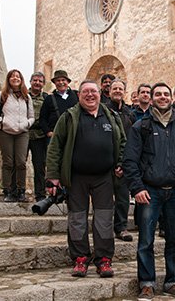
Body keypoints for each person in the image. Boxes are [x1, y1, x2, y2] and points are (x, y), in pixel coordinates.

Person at [123, 82, 175, 300]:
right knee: (146, 240)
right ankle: (146, 283)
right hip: (150, 192)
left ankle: (173, 281)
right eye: (158, 94)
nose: (163, 97)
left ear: (172, 97)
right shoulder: (141, 126)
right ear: (152, 98)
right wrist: (136, 187)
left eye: (166, 94)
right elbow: (130, 160)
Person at [46, 80, 126, 278]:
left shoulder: (112, 116)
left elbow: (122, 142)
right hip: (76, 177)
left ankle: (104, 260)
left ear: (100, 94)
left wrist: (121, 163)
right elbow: (55, 147)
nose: (90, 95)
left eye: (93, 92)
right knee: (77, 219)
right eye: (85, 92)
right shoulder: (69, 117)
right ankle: (80, 259)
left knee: (104, 220)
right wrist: (53, 177)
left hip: (104, 177)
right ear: (79, 95)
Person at [0, 69, 34, 202]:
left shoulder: (27, 97)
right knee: (8, 162)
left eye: (18, 76)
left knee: (21, 162)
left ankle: (21, 191)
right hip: (5, 133)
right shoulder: (2, 95)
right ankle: (8, 191)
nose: (15, 78)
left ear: (21, 79)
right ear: (8, 79)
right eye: (12, 76)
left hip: (22, 133)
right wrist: (3, 121)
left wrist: (27, 124)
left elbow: (32, 116)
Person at [106, 78, 136, 242]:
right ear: (110, 91)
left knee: (123, 198)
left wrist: (123, 163)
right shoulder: (103, 110)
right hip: (106, 162)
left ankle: (121, 227)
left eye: (120, 89)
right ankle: (104, 227)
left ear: (124, 92)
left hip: (124, 163)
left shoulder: (129, 114)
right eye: (114, 88)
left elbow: (131, 140)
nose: (117, 91)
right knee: (105, 199)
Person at [39, 70, 78, 140]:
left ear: (68, 82)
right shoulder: (49, 98)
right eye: (58, 80)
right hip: (55, 136)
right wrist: (48, 132)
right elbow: (42, 118)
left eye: (63, 80)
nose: (61, 82)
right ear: (54, 83)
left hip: (75, 135)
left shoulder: (76, 95)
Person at [28, 72, 48, 202]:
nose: (37, 83)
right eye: (35, 80)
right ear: (30, 81)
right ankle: (17, 192)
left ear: (43, 84)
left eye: (40, 81)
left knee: (40, 166)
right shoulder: (23, 96)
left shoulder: (46, 98)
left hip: (40, 135)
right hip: (23, 133)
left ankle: (40, 195)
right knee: (18, 164)